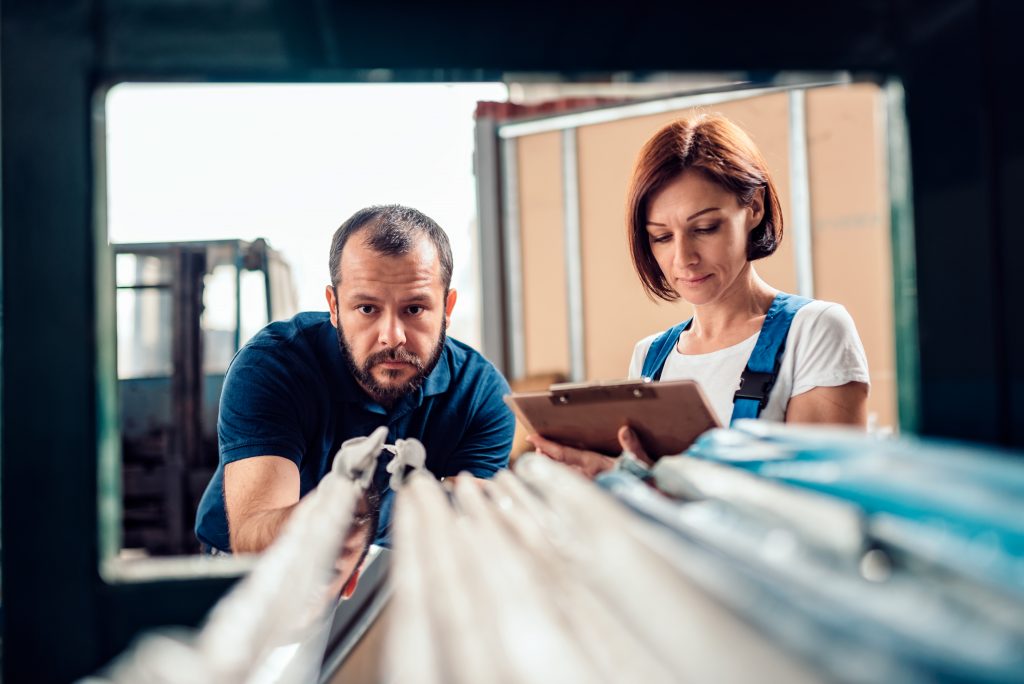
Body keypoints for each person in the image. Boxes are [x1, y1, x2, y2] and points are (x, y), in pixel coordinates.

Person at [528, 114, 870, 477]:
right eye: (661, 237)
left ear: (754, 207)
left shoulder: (815, 331)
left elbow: (823, 507)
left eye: (705, 228)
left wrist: (657, 487)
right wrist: (611, 476)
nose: (684, 258)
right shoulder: (650, 359)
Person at [195, 205, 515, 554]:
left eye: (415, 309)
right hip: (254, 571)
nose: (392, 337)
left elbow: (464, 541)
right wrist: (334, 512)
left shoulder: (481, 395)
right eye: (367, 308)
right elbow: (254, 542)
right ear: (333, 306)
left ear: (447, 309)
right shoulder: (272, 368)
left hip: (390, 562)